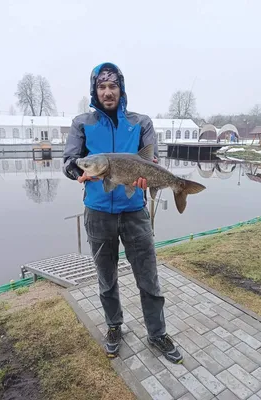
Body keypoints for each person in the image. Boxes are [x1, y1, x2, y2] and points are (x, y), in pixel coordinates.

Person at [63, 62, 183, 364]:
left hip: (134, 212)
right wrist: (77, 172)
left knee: (149, 277)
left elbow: (151, 158)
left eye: (112, 86)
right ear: (95, 90)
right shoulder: (81, 123)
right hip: (98, 213)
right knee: (106, 277)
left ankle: (157, 333)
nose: (107, 91)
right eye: (101, 87)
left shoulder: (141, 122)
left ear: (121, 88)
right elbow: (70, 161)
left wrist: (149, 176)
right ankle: (114, 327)